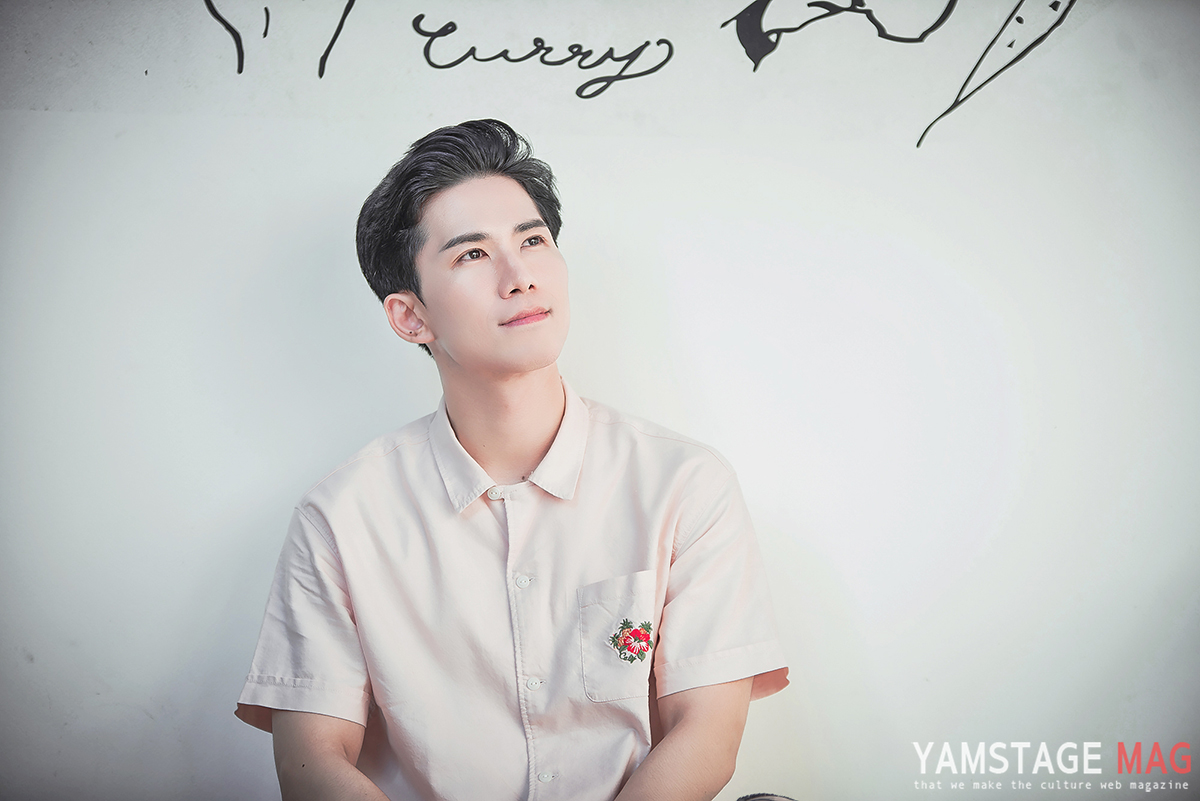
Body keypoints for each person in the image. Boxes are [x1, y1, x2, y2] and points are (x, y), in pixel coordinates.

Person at [235, 119, 789, 801]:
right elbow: (311, 762)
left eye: (533, 241)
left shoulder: (683, 484)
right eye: (473, 254)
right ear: (410, 317)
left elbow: (707, 733)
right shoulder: (341, 517)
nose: (520, 276)